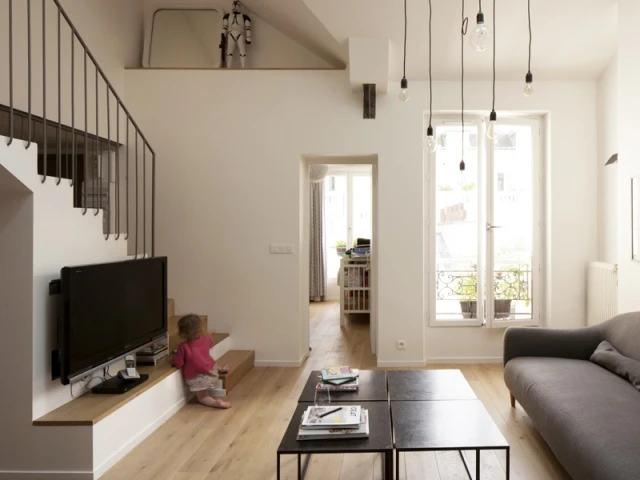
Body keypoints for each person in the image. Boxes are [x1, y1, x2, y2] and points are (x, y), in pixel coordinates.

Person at [173, 314, 232, 409]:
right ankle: (220, 368)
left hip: (198, 377)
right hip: (211, 371)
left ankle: (215, 403)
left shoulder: (183, 346)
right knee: (207, 360)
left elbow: (178, 363)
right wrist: (210, 336)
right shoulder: (205, 338)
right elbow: (210, 344)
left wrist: (174, 361)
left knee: (203, 397)